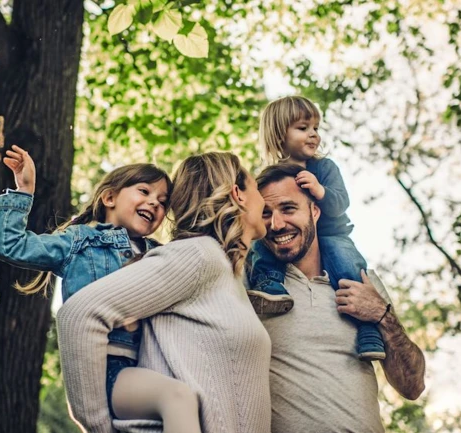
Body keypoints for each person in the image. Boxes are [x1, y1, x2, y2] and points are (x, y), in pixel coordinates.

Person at [0, 145, 202, 433]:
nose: (154, 204)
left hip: (152, 364)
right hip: (107, 369)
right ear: (110, 197)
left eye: (163, 202)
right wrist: (24, 190)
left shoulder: (160, 254)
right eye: (144, 191)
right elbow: (11, 245)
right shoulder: (80, 241)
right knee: (177, 398)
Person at [56, 152, 272, 433]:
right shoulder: (198, 255)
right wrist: (98, 425)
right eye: (257, 188)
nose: (265, 202)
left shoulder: (227, 273)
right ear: (238, 194)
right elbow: (78, 314)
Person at [255, 163, 426, 433]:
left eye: (288, 209)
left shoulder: (362, 282)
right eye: (266, 214)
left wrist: (381, 314)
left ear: (315, 211)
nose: (276, 224)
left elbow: (412, 386)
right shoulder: (254, 286)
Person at [247, 95, 386, 361]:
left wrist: (320, 190)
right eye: (303, 128)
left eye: (315, 128)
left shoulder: (324, 168)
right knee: (259, 244)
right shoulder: (269, 177)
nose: (313, 135)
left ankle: (368, 329)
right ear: (278, 135)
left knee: (347, 265)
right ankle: (270, 284)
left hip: (331, 234)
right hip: (290, 240)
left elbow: (341, 203)